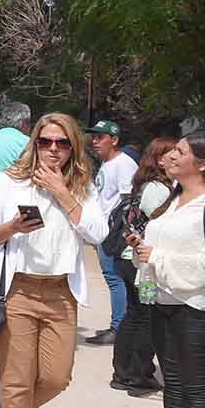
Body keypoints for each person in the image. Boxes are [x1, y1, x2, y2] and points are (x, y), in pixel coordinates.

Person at [0, 113, 106, 408]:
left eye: (61, 143)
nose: (53, 149)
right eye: (45, 142)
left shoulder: (82, 187)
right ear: (34, 143)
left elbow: (97, 233)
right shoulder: (9, 182)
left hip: (61, 293)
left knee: (56, 377)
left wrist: (62, 193)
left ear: (72, 148)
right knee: (16, 381)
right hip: (17, 290)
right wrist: (11, 228)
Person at [127, 133, 205, 408]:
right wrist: (143, 248)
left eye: (181, 151)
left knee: (194, 387)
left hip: (194, 309)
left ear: (200, 164)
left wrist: (156, 256)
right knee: (173, 383)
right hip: (163, 300)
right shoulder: (174, 198)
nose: (171, 155)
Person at [110, 137, 176, 396]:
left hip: (131, 259)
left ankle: (124, 372)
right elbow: (164, 226)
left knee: (135, 315)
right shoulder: (158, 189)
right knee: (146, 318)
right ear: (160, 159)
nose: (176, 158)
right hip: (141, 264)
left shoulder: (146, 184)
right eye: (173, 154)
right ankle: (138, 374)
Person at [84, 120, 138, 345]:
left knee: (116, 279)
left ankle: (119, 328)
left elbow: (129, 201)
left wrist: (120, 233)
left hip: (114, 234)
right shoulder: (107, 164)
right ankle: (118, 326)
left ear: (114, 140)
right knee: (112, 278)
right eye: (94, 137)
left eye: (101, 137)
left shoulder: (123, 164)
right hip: (104, 231)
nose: (95, 141)